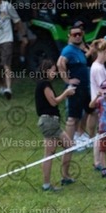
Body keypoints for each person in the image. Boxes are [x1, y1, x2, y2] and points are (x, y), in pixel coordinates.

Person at [35, 59, 76, 191]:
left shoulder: (43, 84)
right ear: (46, 71)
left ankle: (65, 176)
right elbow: (53, 102)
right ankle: (46, 184)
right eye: (53, 71)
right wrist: (66, 93)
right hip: (49, 122)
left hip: (52, 123)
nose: (55, 73)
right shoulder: (45, 84)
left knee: (68, 146)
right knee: (49, 154)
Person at [57, 23, 92, 149]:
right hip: (75, 89)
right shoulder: (68, 50)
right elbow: (60, 64)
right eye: (74, 34)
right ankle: (69, 144)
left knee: (89, 110)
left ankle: (80, 135)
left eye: (79, 34)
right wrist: (68, 81)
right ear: (69, 36)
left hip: (84, 87)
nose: (77, 36)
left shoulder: (78, 50)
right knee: (72, 117)